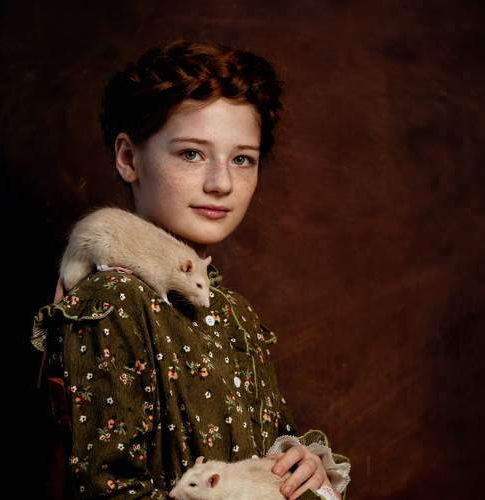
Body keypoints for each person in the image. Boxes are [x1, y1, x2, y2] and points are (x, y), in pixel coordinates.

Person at [31, 39, 351, 500]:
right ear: (129, 158)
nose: (221, 183)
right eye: (192, 154)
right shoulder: (115, 301)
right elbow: (108, 489)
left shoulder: (234, 313)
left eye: (242, 159)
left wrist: (297, 466)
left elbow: (268, 448)